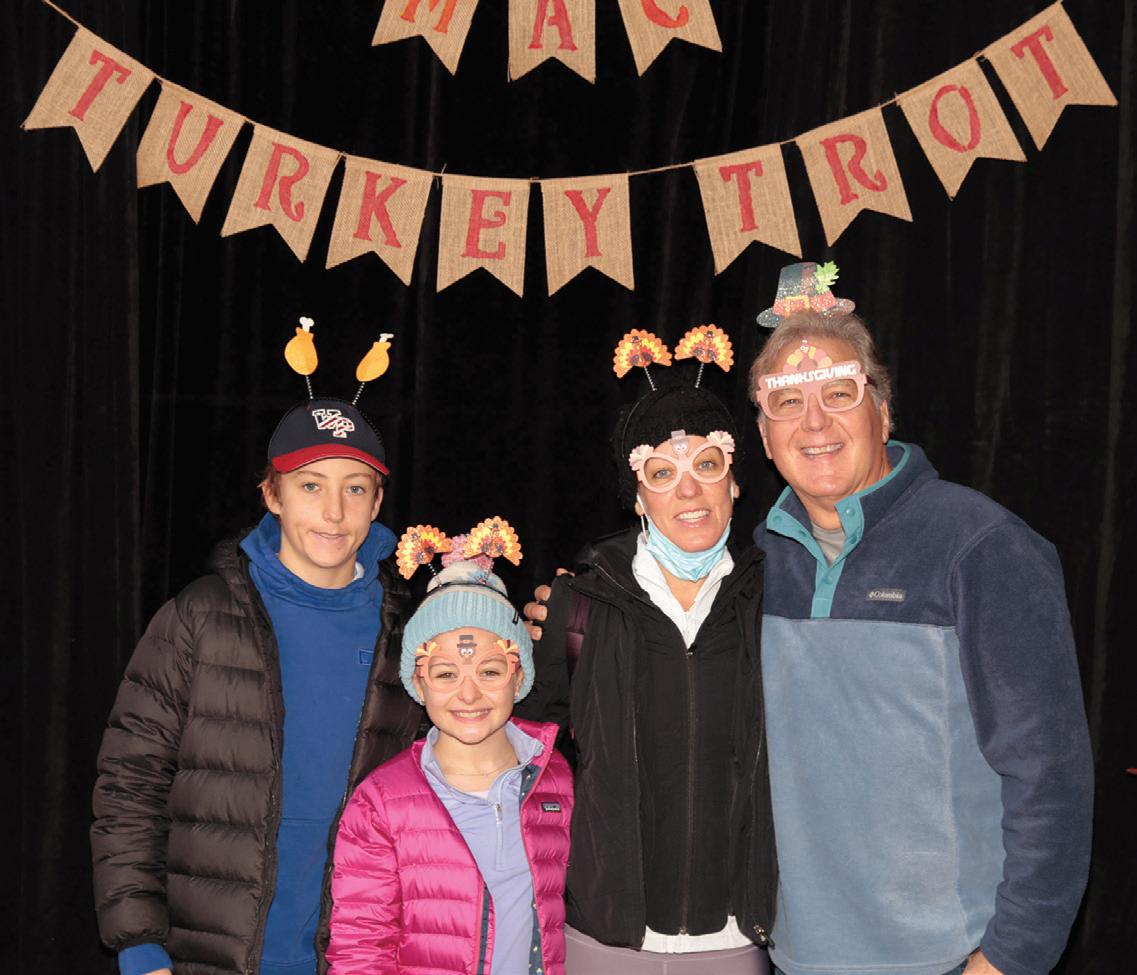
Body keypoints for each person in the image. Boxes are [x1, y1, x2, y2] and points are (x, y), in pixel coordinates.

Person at [748, 262, 1093, 975]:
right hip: (794, 956)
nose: (813, 422)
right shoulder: (756, 565)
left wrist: (1009, 957)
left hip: (948, 960)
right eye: (786, 402)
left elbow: (1050, 779)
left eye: (838, 393)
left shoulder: (982, 547)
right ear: (762, 433)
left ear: (882, 411)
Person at [90, 394, 425, 975]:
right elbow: (130, 782)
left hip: (353, 954)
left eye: (355, 488)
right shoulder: (199, 616)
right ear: (272, 495)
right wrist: (139, 943)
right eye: (310, 485)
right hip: (205, 951)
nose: (334, 512)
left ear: (376, 503)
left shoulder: (412, 634)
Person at [517, 339, 776, 975]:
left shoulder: (776, 600)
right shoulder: (578, 604)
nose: (688, 490)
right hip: (604, 935)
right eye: (661, 473)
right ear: (637, 496)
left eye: (707, 465)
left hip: (736, 935)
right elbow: (530, 758)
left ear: (735, 480)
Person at [327, 535, 573, 975]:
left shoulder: (554, 777)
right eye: (445, 674)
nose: (469, 694)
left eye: (490, 671)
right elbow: (360, 949)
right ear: (418, 685)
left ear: (519, 677)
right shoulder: (380, 802)